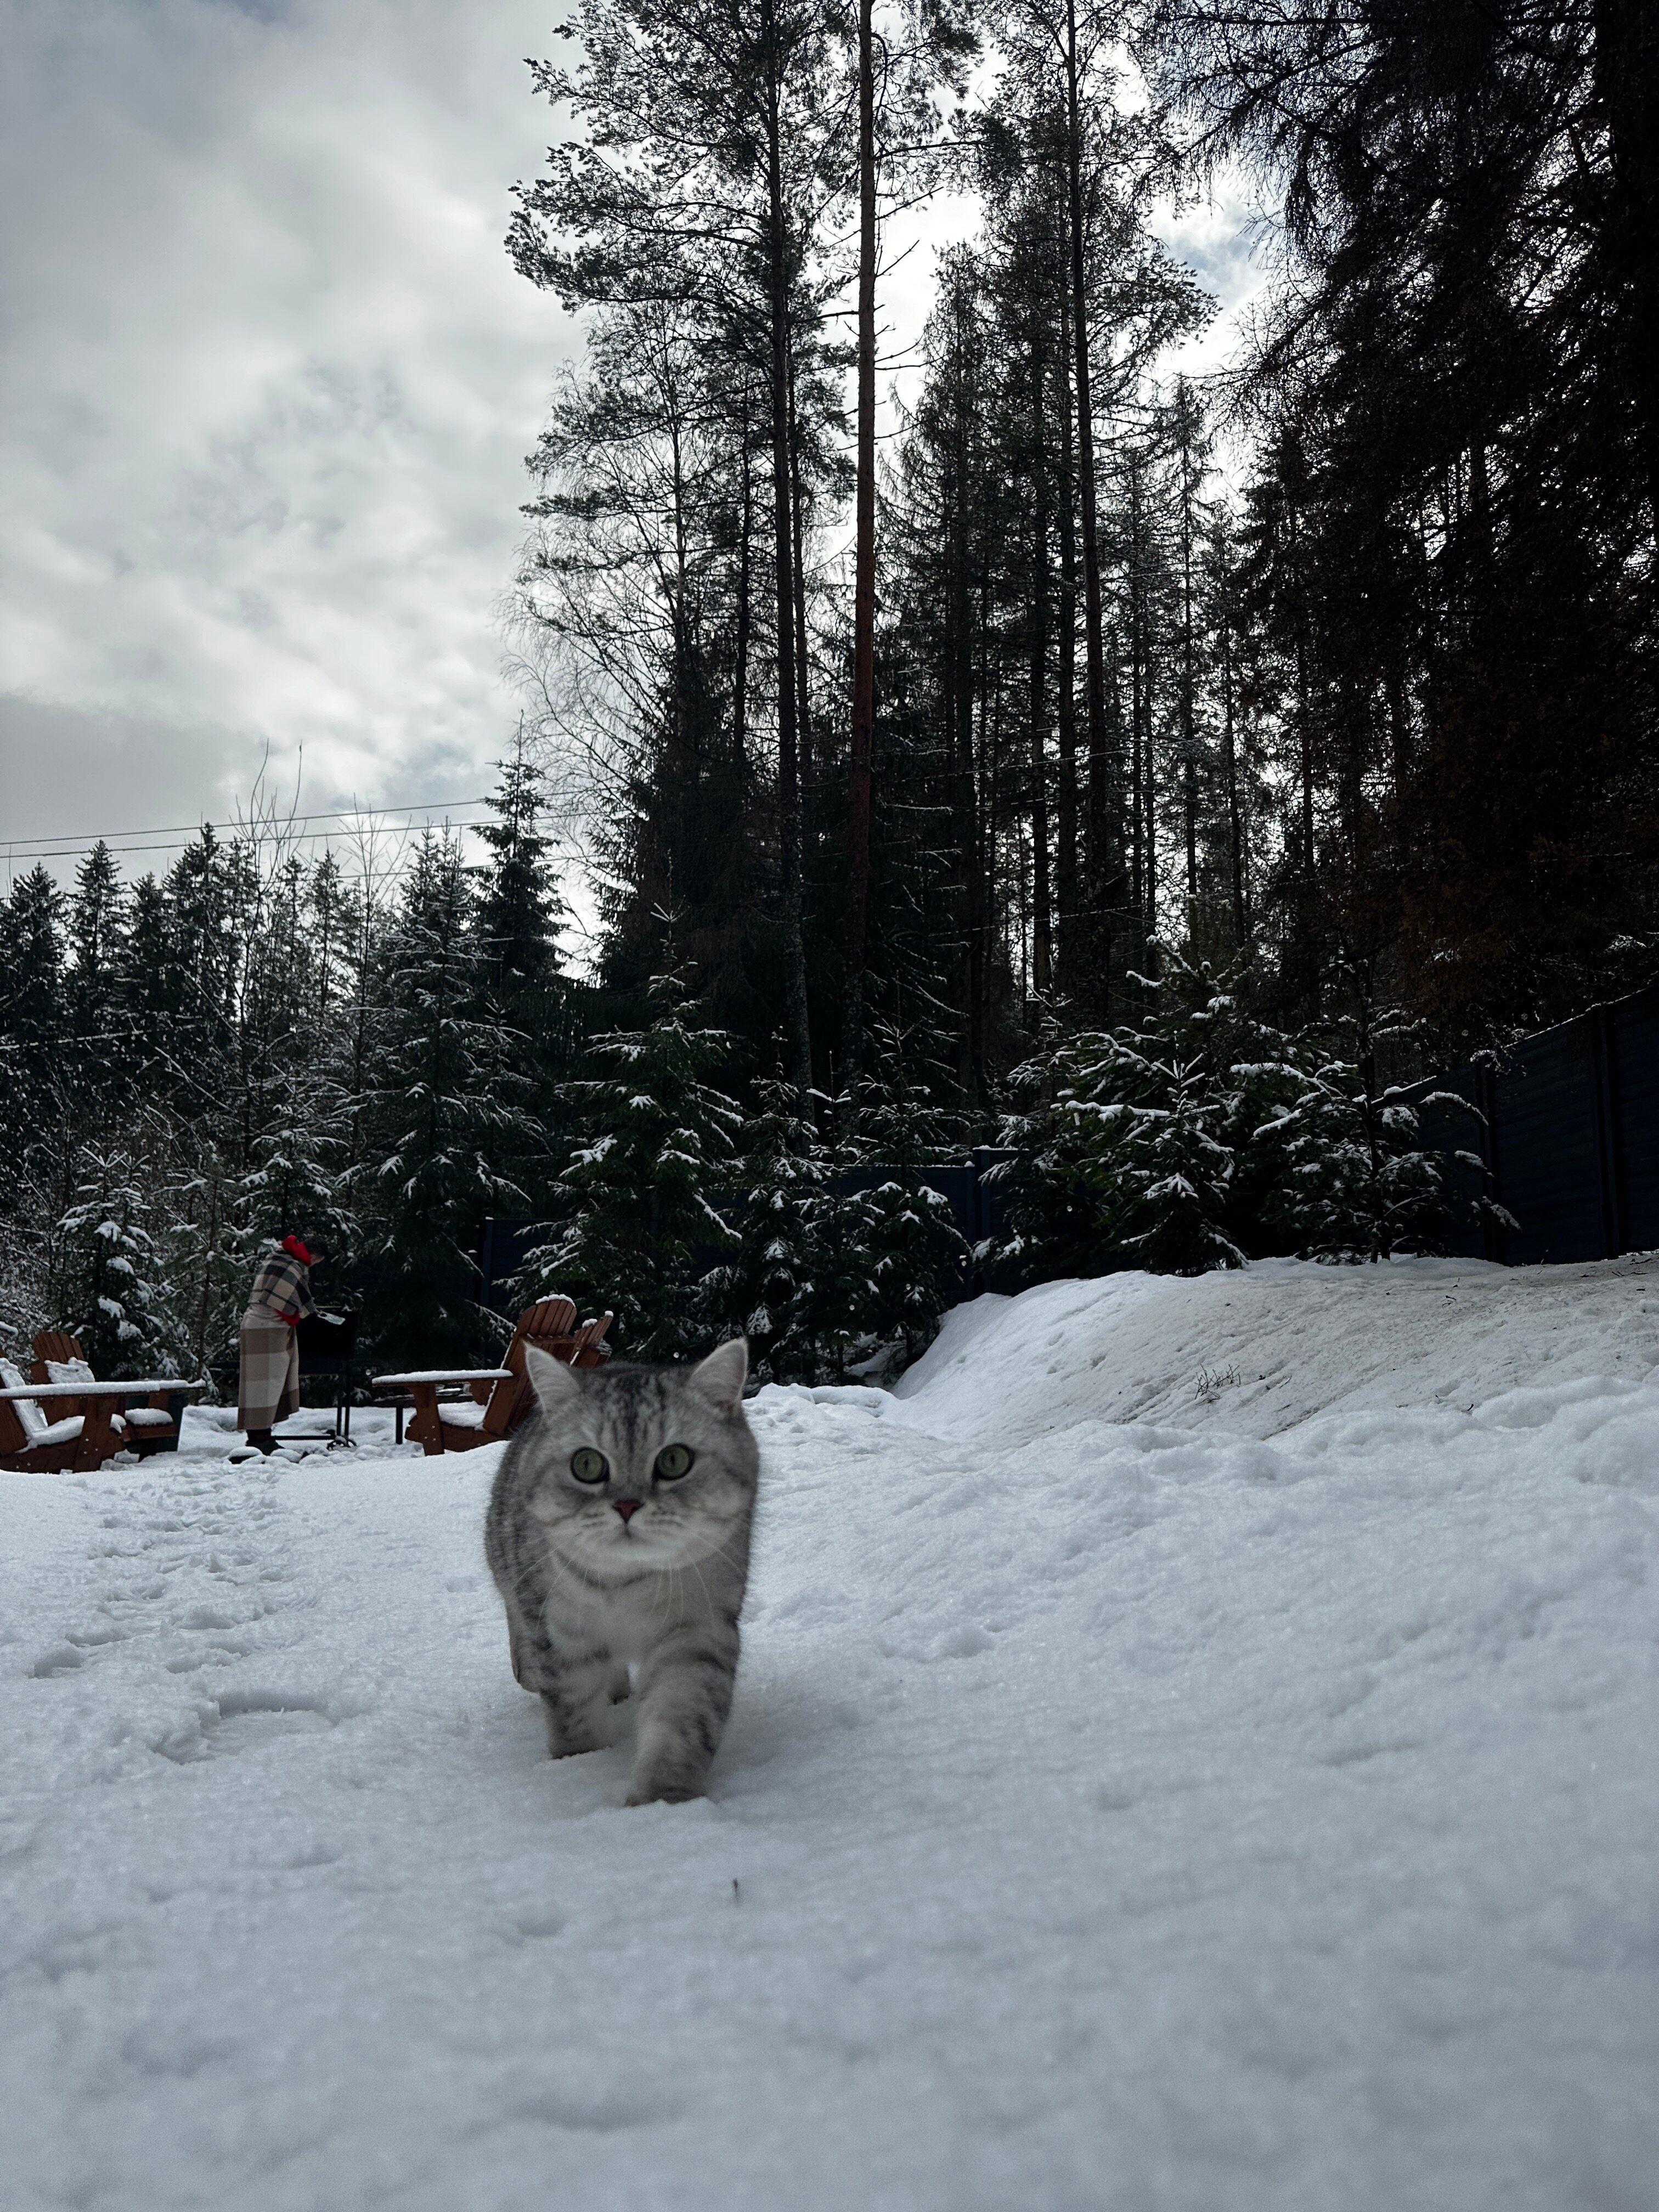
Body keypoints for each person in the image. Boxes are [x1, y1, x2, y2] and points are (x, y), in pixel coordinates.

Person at [238, 1233, 325, 1455]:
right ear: (314, 1256)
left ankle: (260, 1434)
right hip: (268, 1328)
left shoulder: (277, 1257)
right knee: (266, 1385)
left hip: (254, 1324)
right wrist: (309, 1315)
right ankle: (260, 1438)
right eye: (316, 1262)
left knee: (258, 1385)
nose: (313, 1266)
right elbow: (289, 1305)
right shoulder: (295, 1266)